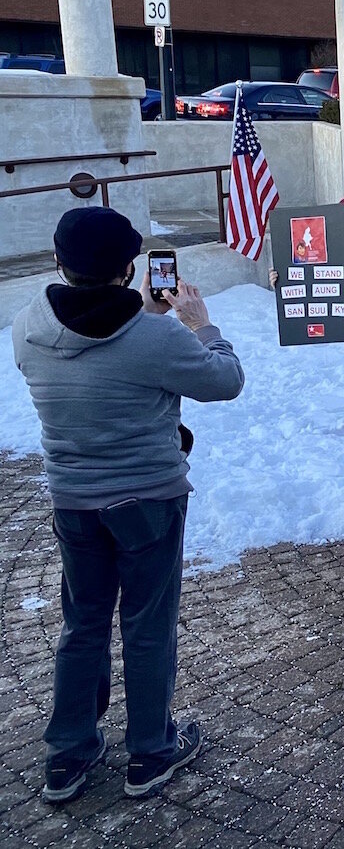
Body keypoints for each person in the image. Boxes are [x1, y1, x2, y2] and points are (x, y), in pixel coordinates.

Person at [12, 208, 244, 803]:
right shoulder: (156, 335)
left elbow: (98, 350)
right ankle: (150, 751)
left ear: (59, 261)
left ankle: (68, 754)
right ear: (130, 268)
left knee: (82, 623)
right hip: (148, 500)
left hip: (73, 500)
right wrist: (200, 326)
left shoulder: (28, 323)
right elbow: (225, 380)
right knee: (147, 626)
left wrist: (149, 320)